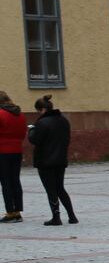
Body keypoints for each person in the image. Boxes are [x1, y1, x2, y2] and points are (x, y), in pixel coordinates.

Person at [29, 95, 76, 226]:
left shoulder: (41, 123)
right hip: (61, 159)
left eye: (38, 111)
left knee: (51, 190)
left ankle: (56, 217)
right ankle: (72, 216)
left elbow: (34, 140)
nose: (38, 113)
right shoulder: (63, 120)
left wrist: (32, 130)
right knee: (60, 188)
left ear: (42, 109)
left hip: (45, 161)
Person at [0, 90, 27, 223]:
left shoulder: (1, 114)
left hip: (2, 151)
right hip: (17, 151)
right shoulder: (20, 114)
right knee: (15, 180)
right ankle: (17, 211)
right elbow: (23, 132)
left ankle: (10, 212)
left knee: (5, 182)